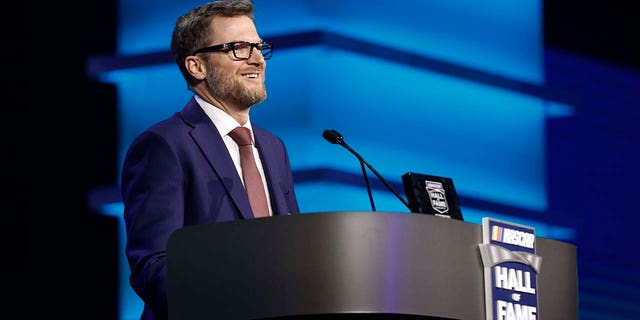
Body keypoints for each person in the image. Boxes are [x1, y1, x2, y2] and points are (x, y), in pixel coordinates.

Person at [120, 1, 300, 319]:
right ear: (196, 66)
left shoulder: (274, 148)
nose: (258, 59)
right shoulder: (163, 145)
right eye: (239, 48)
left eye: (260, 47)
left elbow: (295, 254)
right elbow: (153, 268)